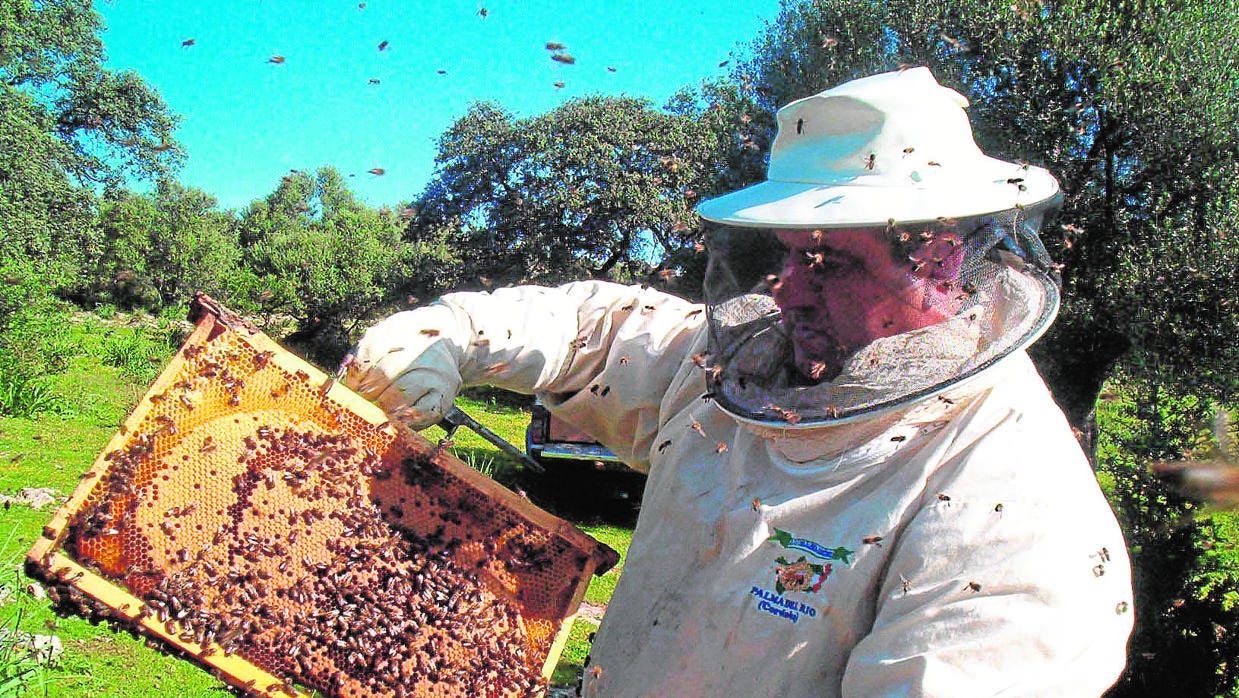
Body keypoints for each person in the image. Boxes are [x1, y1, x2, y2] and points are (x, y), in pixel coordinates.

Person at [344, 68, 1134, 697]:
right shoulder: (743, 368)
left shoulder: (1011, 516)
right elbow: (597, 328)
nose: (787, 289)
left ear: (942, 261)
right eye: (785, 253)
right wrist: (446, 334)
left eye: (827, 261)